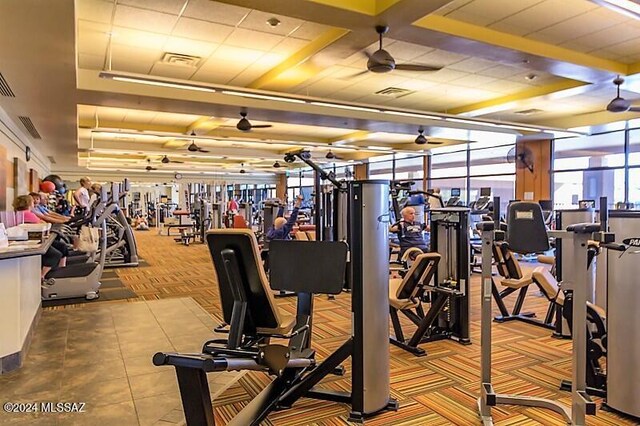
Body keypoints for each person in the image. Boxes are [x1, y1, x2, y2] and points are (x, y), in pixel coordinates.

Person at [13, 195, 68, 277]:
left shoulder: (21, 213)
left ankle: (62, 271)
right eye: (33, 201)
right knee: (55, 254)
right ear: (29, 203)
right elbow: (43, 223)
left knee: (62, 246)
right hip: (33, 241)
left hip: (35, 238)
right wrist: (65, 219)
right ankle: (41, 276)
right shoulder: (28, 214)